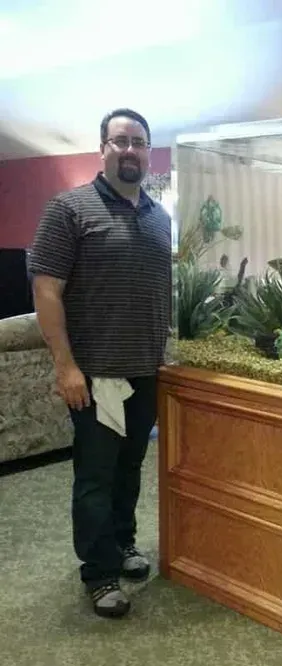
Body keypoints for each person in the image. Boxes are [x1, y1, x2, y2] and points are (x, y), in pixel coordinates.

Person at [30, 108, 172, 619]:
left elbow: (158, 291)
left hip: (144, 371)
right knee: (95, 475)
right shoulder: (69, 209)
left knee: (130, 468)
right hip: (94, 376)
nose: (129, 150)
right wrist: (65, 367)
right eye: (120, 141)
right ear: (103, 150)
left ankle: (122, 544)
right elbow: (47, 289)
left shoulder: (160, 218)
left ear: (148, 151)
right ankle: (99, 572)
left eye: (139, 141)